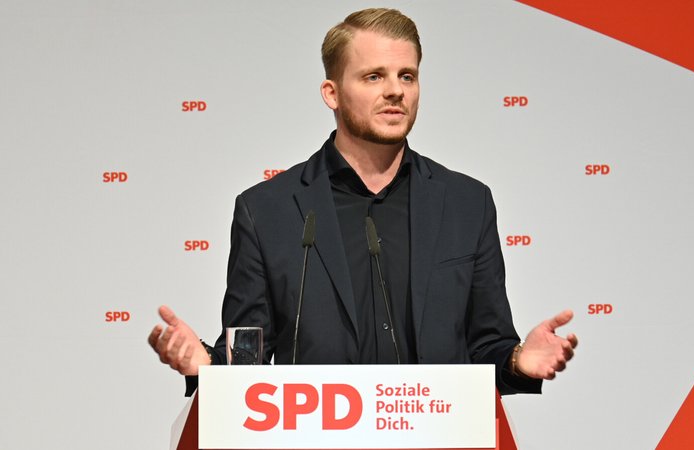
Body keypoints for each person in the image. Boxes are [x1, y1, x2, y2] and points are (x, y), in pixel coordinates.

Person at [148, 8, 577, 396]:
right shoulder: (266, 211)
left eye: (406, 76)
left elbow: (488, 348)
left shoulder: (468, 203)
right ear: (332, 93)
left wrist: (519, 361)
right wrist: (206, 365)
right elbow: (247, 362)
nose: (395, 91)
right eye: (374, 76)